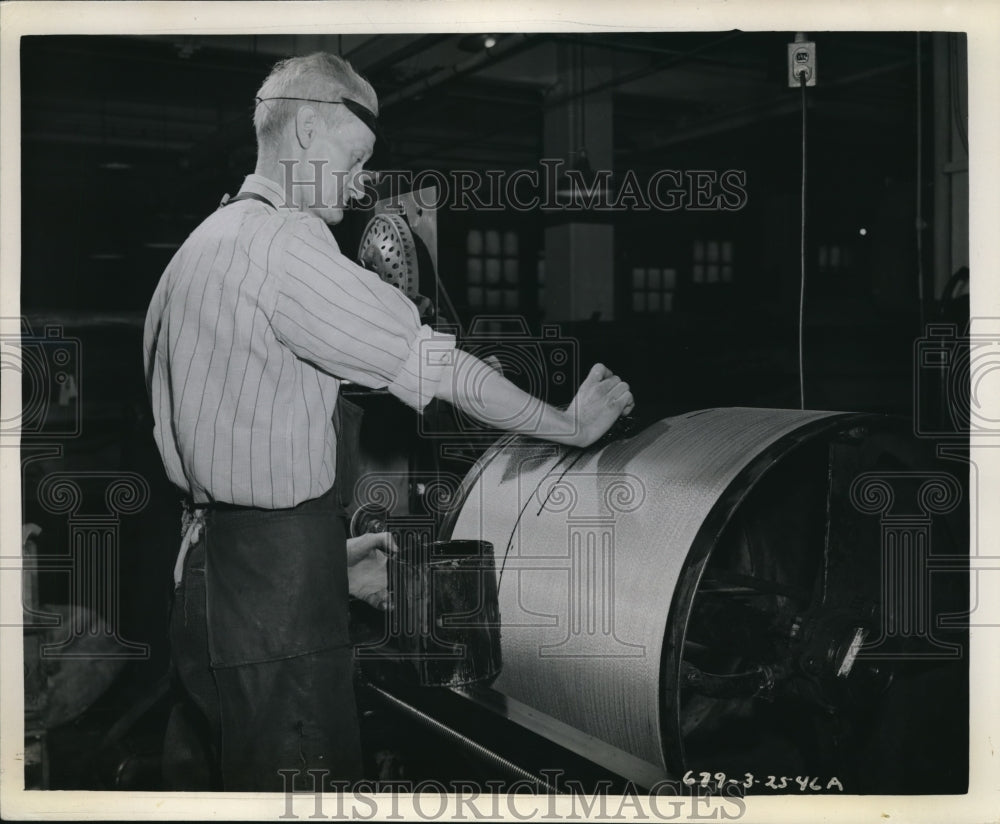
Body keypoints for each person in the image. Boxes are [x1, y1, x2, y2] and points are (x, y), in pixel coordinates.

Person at [143, 51, 634, 792]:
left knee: (213, 782)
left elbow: (229, 469)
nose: (365, 178)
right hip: (273, 607)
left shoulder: (195, 250)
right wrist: (569, 426)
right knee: (304, 791)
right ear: (308, 128)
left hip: (207, 583)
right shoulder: (286, 246)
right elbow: (438, 368)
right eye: (358, 155)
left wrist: (322, 567)